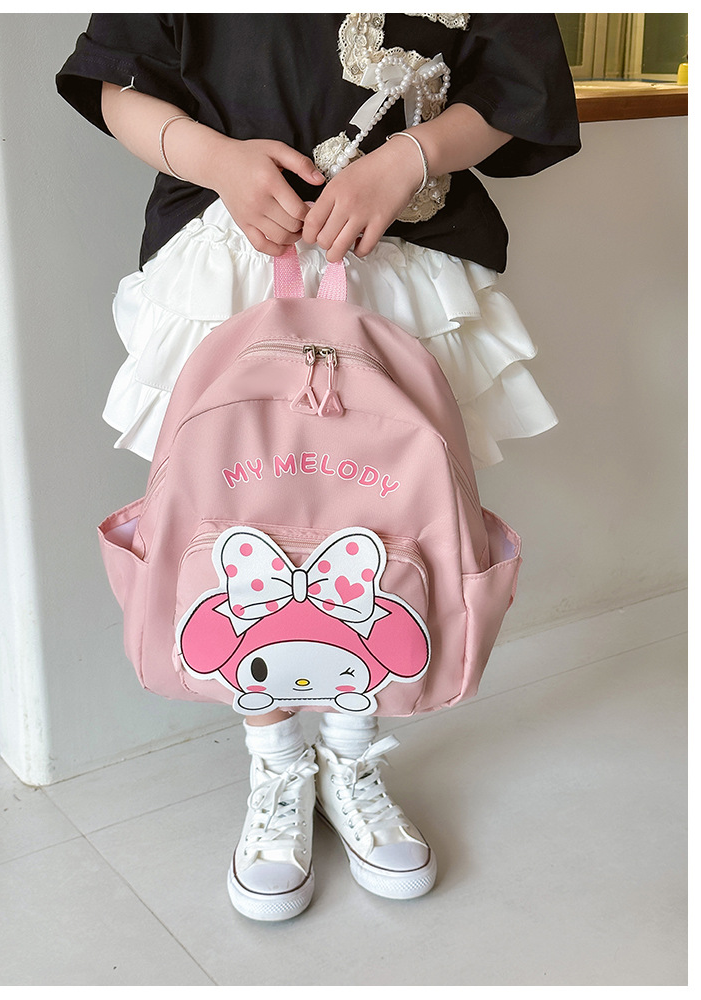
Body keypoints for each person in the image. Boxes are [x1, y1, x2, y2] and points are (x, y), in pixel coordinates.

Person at [57, 13, 580, 922]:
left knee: (385, 524)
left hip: (399, 251)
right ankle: (277, 767)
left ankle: (351, 757)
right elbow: (118, 78)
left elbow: (519, 82)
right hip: (233, 248)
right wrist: (218, 161)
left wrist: (413, 156)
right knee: (240, 525)